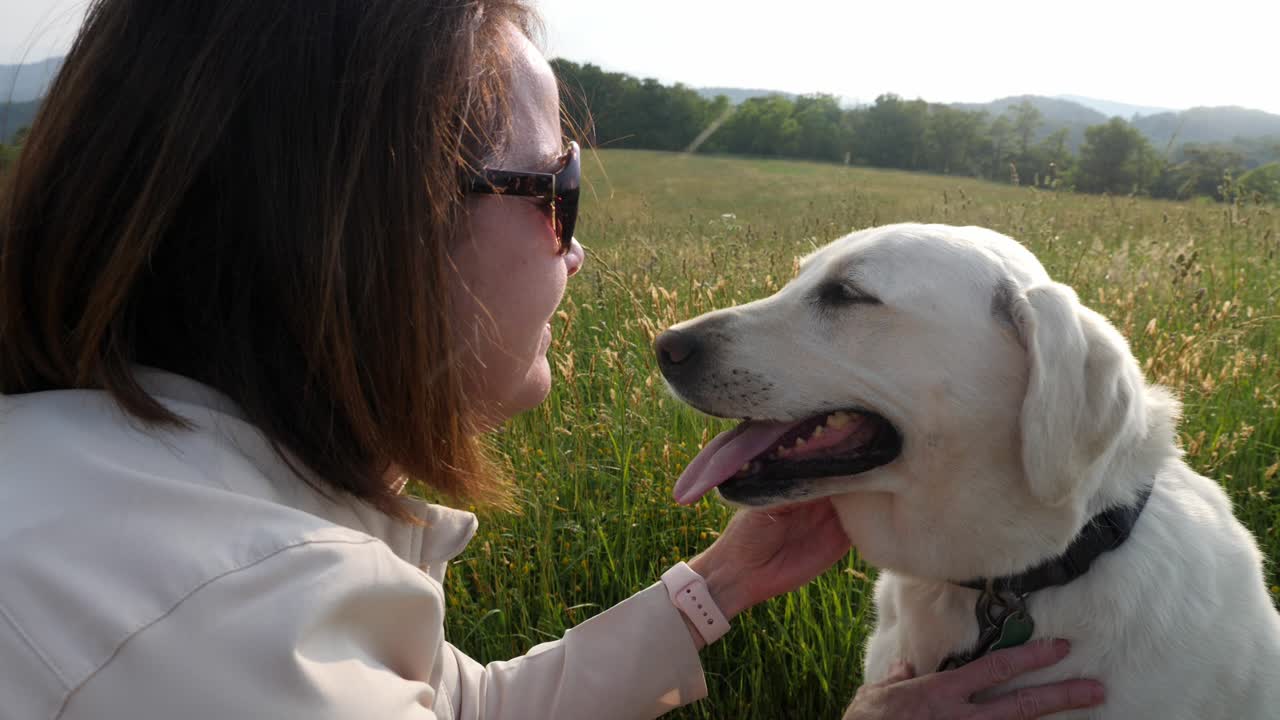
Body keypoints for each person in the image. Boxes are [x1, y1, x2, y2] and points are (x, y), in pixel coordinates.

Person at [0, 1, 1105, 718]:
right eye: (556, 191)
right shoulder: (206, 618)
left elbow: (453, 710)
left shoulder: (136, 494)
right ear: (363, 222)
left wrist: (718, 587)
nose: (576, 252)